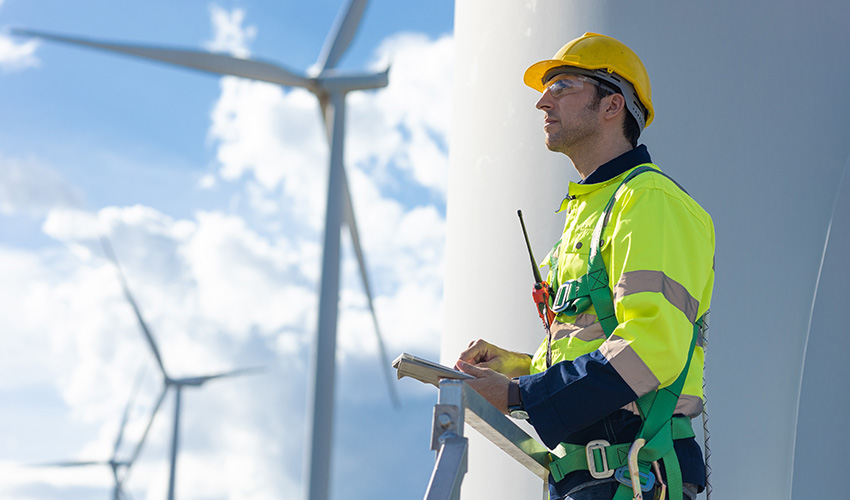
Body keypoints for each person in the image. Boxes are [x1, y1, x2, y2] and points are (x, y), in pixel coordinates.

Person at [454, 33, 715, 500]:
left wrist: (521, 395)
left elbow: (651, 348)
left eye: (563, 86)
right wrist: (519, 369)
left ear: (612, 105)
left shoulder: (648, 201)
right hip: (591, 477)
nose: (541, 102)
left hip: (633, 473)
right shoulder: (594, 209)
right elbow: (595, 343)